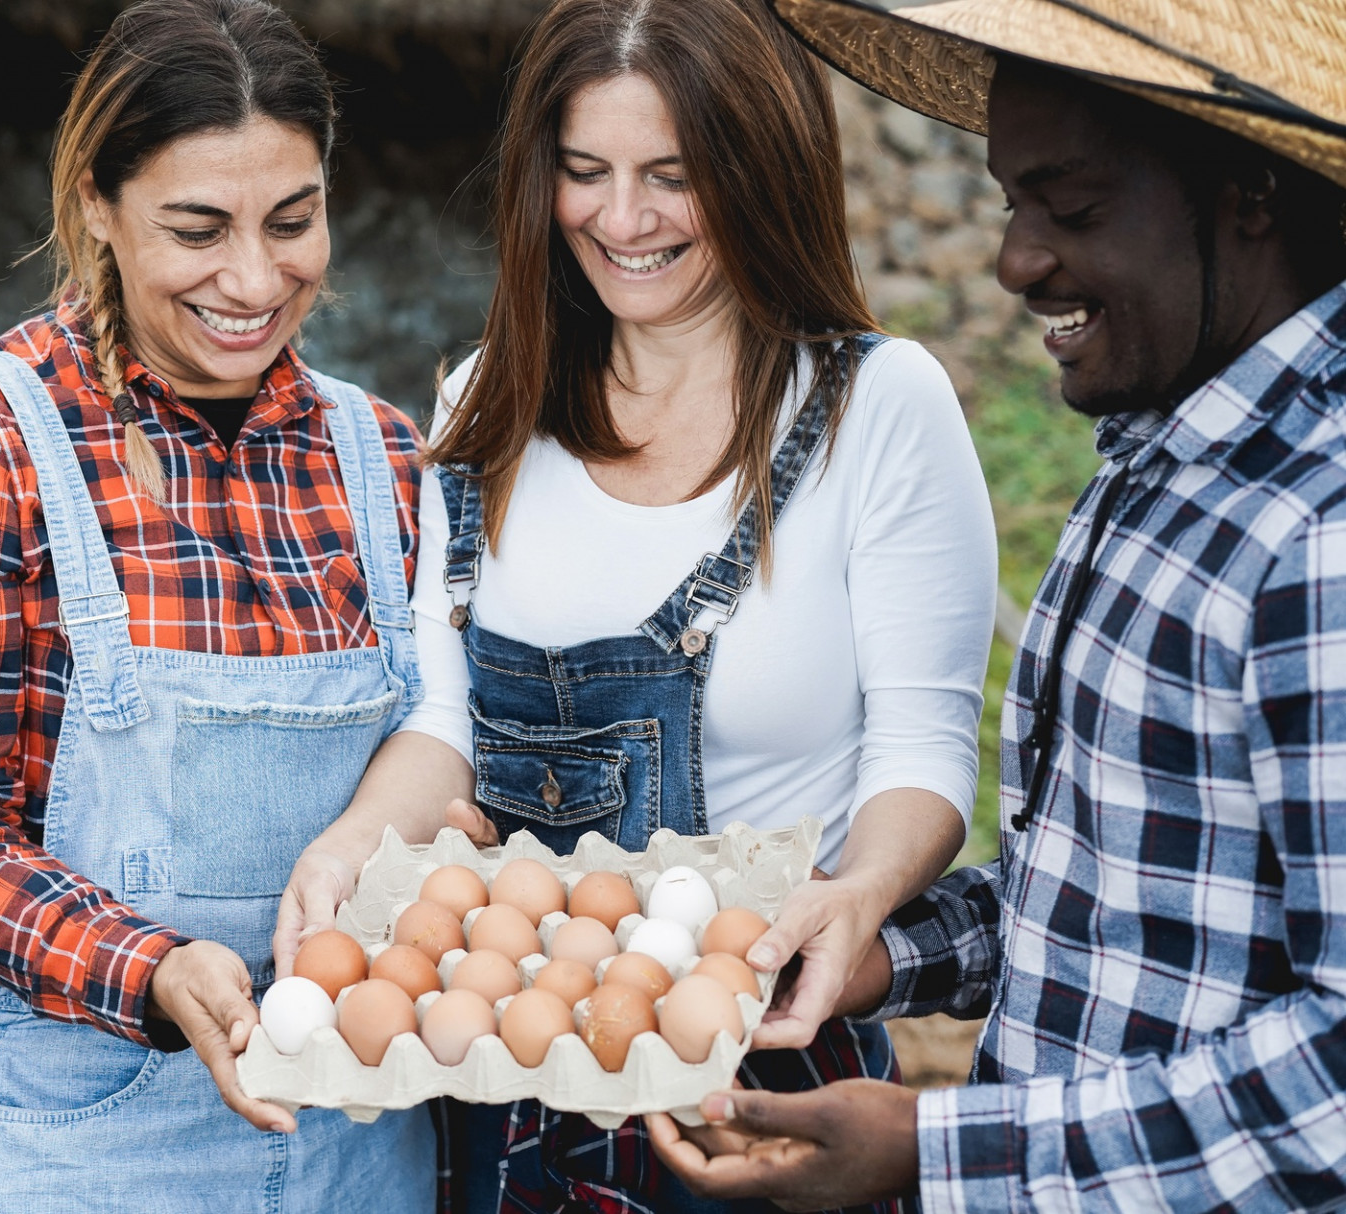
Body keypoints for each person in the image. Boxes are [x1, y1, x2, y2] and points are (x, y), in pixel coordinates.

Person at [274, 0, 997, 1208]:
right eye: (585, 171)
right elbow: (444, 718)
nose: (622, 219)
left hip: (752, 1057)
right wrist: (360, 837)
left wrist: (861, 892)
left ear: (762, 172)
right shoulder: (483, 397)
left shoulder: (879, 408)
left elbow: (924, 751)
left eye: (673, 176)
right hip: (496, 1073)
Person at [647, 1, 1346, 1209]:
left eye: (1070, 206)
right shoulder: (1168, 466)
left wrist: (940, 1147)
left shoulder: (1321, 536)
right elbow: (1121, 903)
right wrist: (885, 953)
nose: (1017, 258)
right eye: (1014, 202)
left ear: (1249, 191)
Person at [0, 1, 453, 1207]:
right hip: (77, 1134)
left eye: (294, 220)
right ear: (97, 212)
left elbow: (438, 750)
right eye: (197, 228)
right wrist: (150, 967)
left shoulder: (382, 457)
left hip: (353, 1132)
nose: (255, 278)